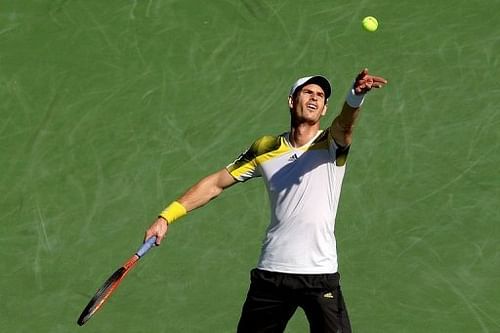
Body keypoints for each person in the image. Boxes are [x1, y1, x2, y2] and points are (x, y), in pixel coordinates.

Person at [144, 68, 387, 332]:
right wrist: (166, 216)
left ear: (325, 109)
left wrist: (355, 96)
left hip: (319, 274)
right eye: (307, 92)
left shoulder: (331, 143)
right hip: (272, 272)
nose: (314, 98)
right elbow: (215, 184)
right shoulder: (265, 148)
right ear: (292, 101)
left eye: (320, 96)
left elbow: (346, 124)